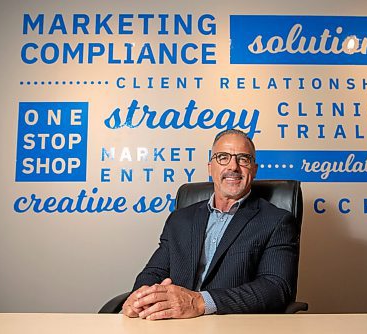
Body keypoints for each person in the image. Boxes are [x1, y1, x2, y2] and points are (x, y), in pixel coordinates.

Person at [122, 129, 299, 320]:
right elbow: (155, 272)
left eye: (243, 159)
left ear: (254, 169)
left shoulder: (276, 221)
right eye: (223, 157)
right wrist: (140, 297)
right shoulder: (180, 219)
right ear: (210, 167)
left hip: (232, 326)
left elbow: (276, 287)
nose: (233, 166)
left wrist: (200, 302)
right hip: (173, 325)